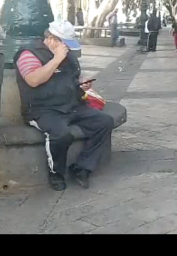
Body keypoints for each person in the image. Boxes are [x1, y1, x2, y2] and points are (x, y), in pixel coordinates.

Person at [13, 20, 114, 191]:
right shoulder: (28, 54)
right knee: (61, 135)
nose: (68, 50)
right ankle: (56, 173)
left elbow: (72, 78)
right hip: (43, 109)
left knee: (104, 122)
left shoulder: (69, 57)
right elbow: (33, 79)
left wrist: (81, 84)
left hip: (72, 105)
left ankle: (83, 167)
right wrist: (57, 59)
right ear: (52, 39)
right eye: (65, 45)